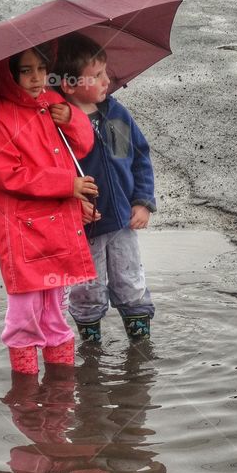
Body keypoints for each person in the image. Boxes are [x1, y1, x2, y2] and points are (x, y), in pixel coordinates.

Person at [0, 43, 102, 374]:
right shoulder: (0, 120)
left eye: (41, 69)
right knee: (24, 315)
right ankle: (26, 394)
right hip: (24, 234)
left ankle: (59, 399)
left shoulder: (53, 104)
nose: (36, 78)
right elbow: (7, 174)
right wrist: (68, 185)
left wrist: (73, 119)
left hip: (55, 228)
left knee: (54, 313)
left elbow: (80, 146)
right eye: (25, 70)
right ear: (10, 75)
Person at [53, 34, 158, 343]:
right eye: (96, 76)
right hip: (84, 227)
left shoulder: (116, 115)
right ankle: (91, 350)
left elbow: (138, 158)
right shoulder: (56, 126)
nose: (106, 80)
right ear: (70, 85)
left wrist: (142, 202)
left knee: (130, 280)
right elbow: (53, 174)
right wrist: (72, 206)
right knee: (87, 288)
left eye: (105, 72)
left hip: (123, 219)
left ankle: (139, 343)